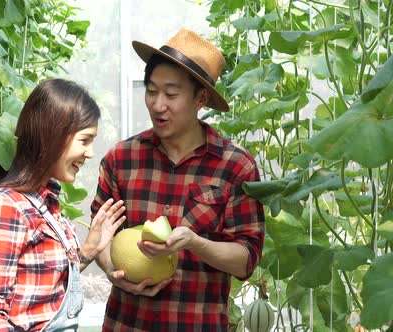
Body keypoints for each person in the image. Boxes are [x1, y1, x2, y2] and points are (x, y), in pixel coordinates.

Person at [90, 28, 265, 331]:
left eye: (171, 94)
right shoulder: (121, 160)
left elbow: (245, 258)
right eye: (152, 91)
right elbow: (100, 236)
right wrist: (112, 270)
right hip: (126, 323)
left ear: (201, 99)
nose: (158, 105)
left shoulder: (235, 166)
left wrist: (195, 243)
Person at [0, 78, 126, 332]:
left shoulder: (44, 202)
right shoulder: (4, 206)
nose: (90, 153)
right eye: (85, 140)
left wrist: (90, 250)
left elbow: (44, 286)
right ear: (54, 135)